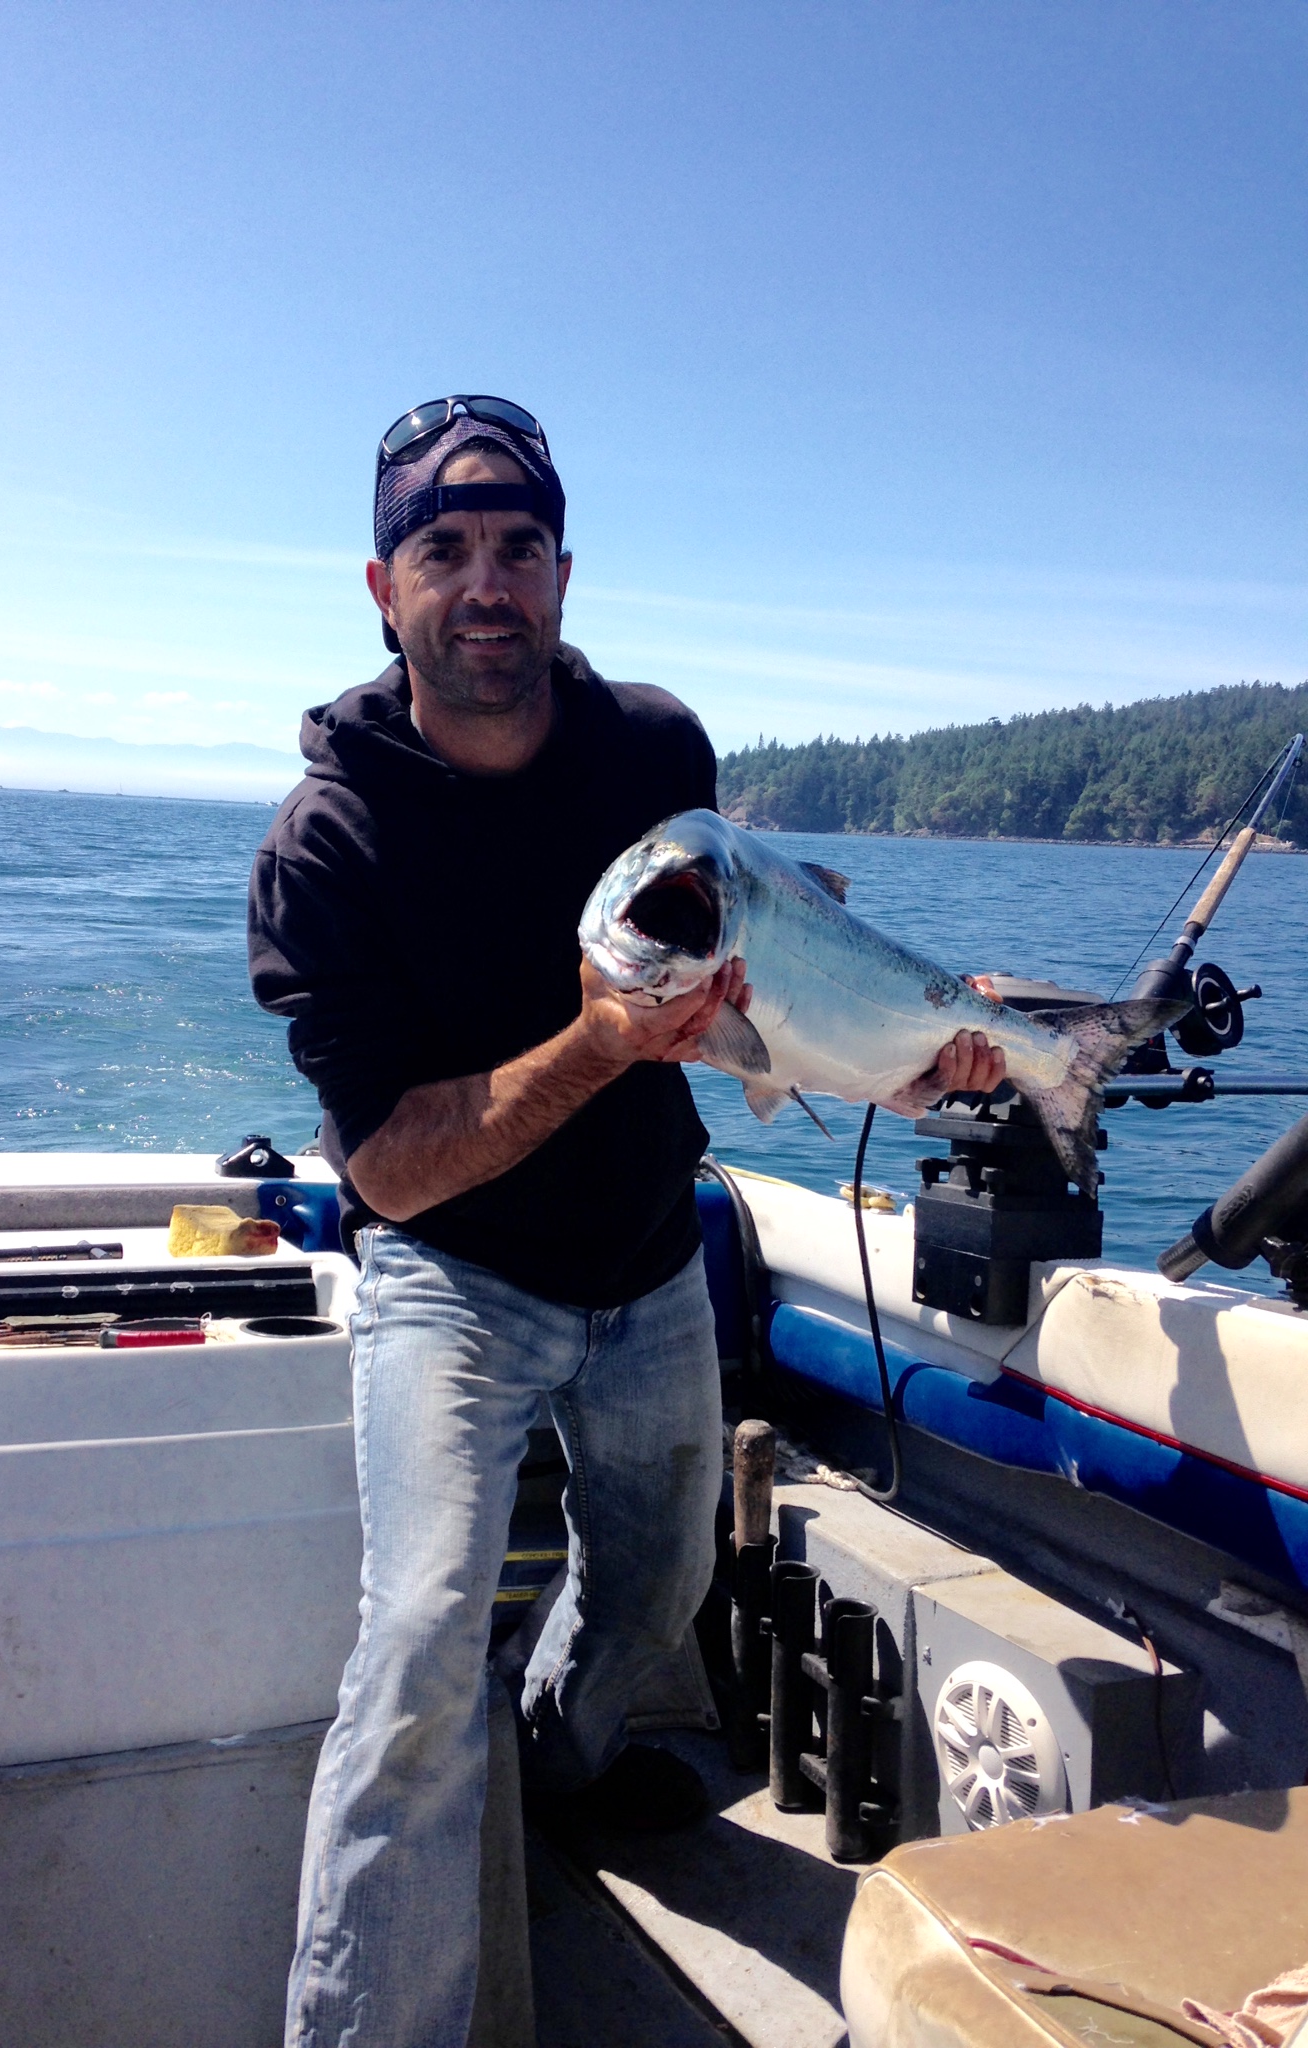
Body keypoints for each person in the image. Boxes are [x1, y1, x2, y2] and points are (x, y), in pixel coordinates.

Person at [248, 395, 1004, 2048]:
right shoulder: (328, 841)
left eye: (519, 548)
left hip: (652, 1253)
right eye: (444, 552)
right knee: (423, 1636)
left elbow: (760, 1000)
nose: (487, 583)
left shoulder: (659, 755)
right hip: (450, 1276)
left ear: (566, 576)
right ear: (383, 589)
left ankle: (553, 1772)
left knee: (660, 1589)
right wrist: (600, 1039)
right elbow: (383, 1173)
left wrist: (918, 1052)